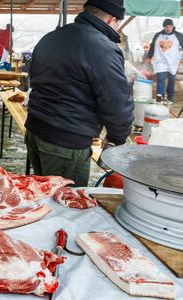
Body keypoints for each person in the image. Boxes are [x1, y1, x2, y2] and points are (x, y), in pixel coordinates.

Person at [24, 0, 134, 187]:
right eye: (117, 24)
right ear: (111, 19)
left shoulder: (51, 37)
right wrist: (117, 137)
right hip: (66, 143)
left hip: (35, 131)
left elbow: (33, 78)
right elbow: (116, 103)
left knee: (44, 197)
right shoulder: (104, 49)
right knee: (67, 207)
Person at [147, 19, 183, 103]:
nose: (168, 28)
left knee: (172, 80)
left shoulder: (179, 36)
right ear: (164, 27)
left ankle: (170, 98)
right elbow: (152, 46)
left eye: (170, 26)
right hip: (161, 62)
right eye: (166, 27)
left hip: (173, 62)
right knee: (161, 80)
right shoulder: (158, 35)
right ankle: (160, 99)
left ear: (172, 26)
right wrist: (149, 56)